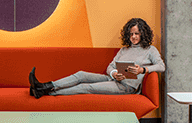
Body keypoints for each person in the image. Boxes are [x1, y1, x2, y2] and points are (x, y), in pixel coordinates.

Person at [29, 17, 165, 97]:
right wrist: (114, 73)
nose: (133, 37)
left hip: (126, 87)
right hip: (113, 79)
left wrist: (143, 70)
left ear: (143, 33)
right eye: (131, 34)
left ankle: (47, 92)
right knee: (81, 75)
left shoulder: (150, 50)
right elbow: (110, 66)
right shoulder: (124, 50)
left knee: (86, 87)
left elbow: (161, 66)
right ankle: (46, 86)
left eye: (137, 33)